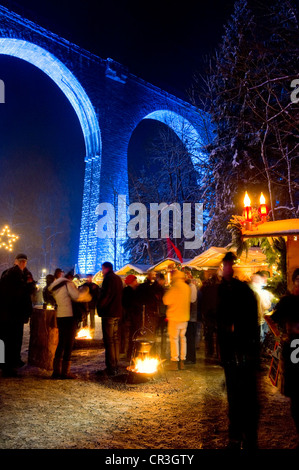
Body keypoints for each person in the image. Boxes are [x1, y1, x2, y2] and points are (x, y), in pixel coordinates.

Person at [216, 252, 260, 450]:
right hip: (236, 350)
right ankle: (239, 434)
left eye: (228, 265)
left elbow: (236, 320)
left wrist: (231, 328)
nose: (227, 269)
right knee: (237, 395)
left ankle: (243, 435)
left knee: (241, 394)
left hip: (240, 349)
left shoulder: (239, 291)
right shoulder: (231, 289)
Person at [266, 268, 299, 445]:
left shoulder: (288, 301)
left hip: (294, 345)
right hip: (295, 346)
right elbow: (273, 318)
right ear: (294, 282)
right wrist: (284, 334)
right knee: (295, 391)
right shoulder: (288, 301)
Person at [49, 268, 91, 379]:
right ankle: (65, 372)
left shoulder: (55, 286)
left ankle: (56, 371)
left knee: (61, 342)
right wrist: (85, 292)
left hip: (60, 316)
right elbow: (77, 296)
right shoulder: (67, 284)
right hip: (70, 316)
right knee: (69, 344)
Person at [0, 253, 36, 377]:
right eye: (20, 261)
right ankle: (7, 365)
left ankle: (12, 361)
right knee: (9, 339)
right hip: (11, 312)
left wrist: (29, 284)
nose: (23, 263)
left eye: (24, 261)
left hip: (14, 312)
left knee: (14, 338)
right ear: (16, 261)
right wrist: (28, 285)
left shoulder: (24, 273)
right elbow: (18, 291)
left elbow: (29, 289)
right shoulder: (12, 274)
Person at [96, 262, 123, 376]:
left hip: (109, 313)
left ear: (106, 269)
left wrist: (100, 306)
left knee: (109, 341)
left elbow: (106, 295)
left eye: (102, 269)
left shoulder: (108, 279)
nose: (102, 271)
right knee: (116, 340)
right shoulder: (118, 278)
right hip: (117, 312)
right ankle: (116, 364)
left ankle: (111, 367)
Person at [163, 270, 190, 370]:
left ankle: (174, 362)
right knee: (183, 339)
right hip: (185, 318)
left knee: (174, 340)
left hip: (175, 317)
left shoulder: (175, 287)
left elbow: (166, 300)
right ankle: (182, 361)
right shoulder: (186, 287)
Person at [122, 274, 142, 361]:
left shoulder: (131, 290)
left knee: (132, 336)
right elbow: (129, 304)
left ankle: (132, 353)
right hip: (131, 317)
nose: (137, 282)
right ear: (132, 282)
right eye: (135, 281)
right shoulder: (128, 291)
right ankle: (131, 354)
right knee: (131, 336)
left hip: (132, 316)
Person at [185, 276, 198, 364]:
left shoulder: (191, 287)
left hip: (191, 317)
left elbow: (192, 300)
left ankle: (191, 357)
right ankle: (190, 357)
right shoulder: (191, 287)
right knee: (189, 338)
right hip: (190, 317)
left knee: (190, 338)